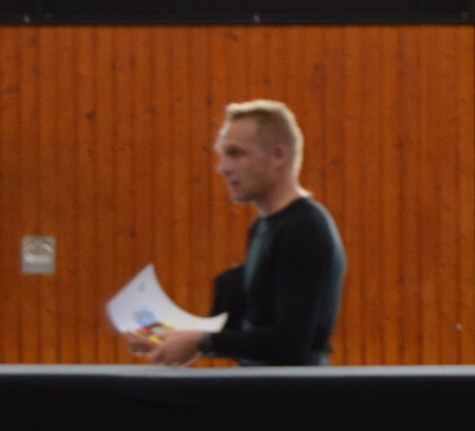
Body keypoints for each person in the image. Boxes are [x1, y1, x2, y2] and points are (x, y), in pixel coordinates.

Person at [133, 100, 343, 367]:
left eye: (236, 153)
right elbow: (248, 328)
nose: (223, 167)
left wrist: (201, 342)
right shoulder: (264, 227)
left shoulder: (304, 229)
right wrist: (167, 337)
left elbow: (290, 341)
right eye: (223, 155)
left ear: (278, 156)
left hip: (296, 391)